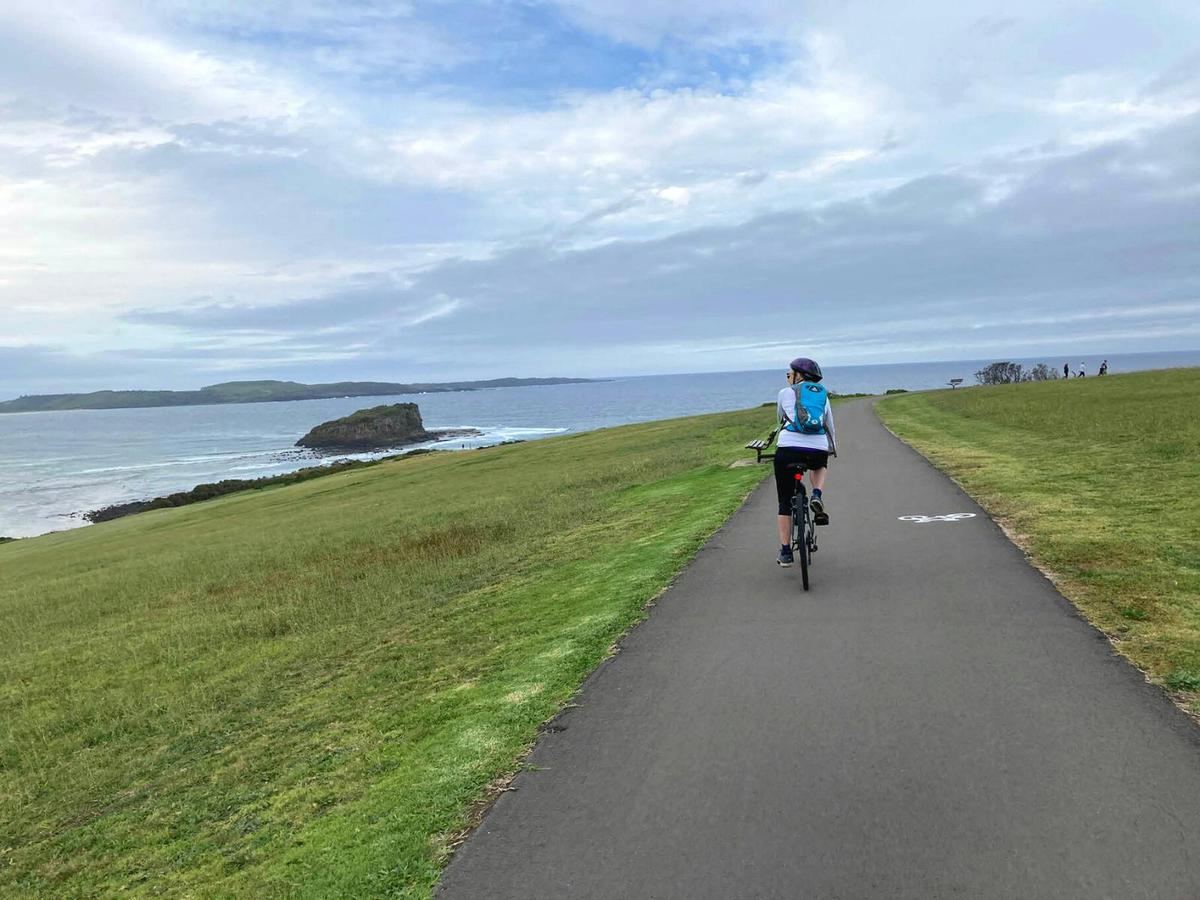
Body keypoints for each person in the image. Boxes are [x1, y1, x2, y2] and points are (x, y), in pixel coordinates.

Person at [774, 357, 837, 567]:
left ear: (798, 375)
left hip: (788, 449)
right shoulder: (822, 395)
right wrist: (831, 448)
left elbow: (781, 419)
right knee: (819, 465)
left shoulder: (785, 393)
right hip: (817, 447)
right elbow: (829, 424)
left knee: (784, 502)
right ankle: (817, 494)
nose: (788, 377)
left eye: (789, 374)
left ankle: (785, 552)